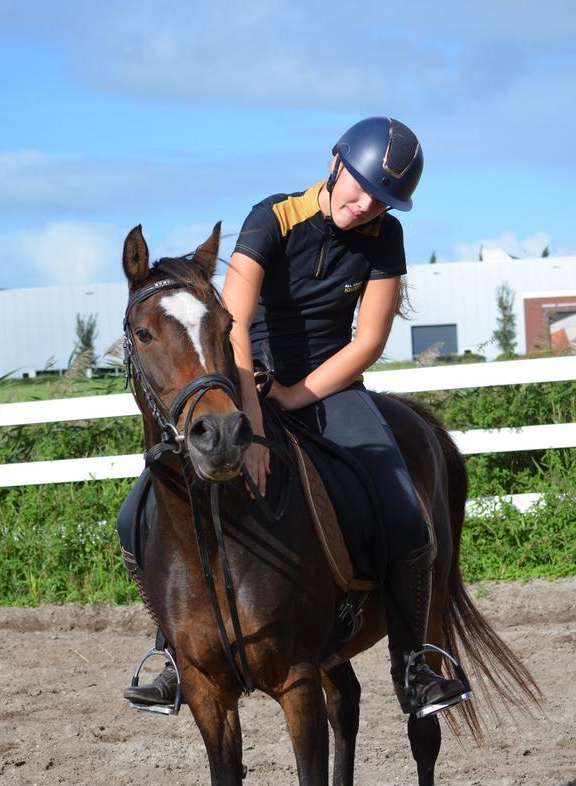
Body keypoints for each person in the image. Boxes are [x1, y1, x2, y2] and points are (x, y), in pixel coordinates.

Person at [120, 116, 472, 718]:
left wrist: (295, 395)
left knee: (406, 516)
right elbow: (230, 321)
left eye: (381, 201)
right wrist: (254, 423)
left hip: (329, 387)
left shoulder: (384, 237)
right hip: (243, 376)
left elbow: (368, 341)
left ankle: (416, 664)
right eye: (358, 188)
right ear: (336, 164)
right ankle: (172, 652)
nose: (364, 206)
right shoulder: (272, 217)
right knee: (135, 517)